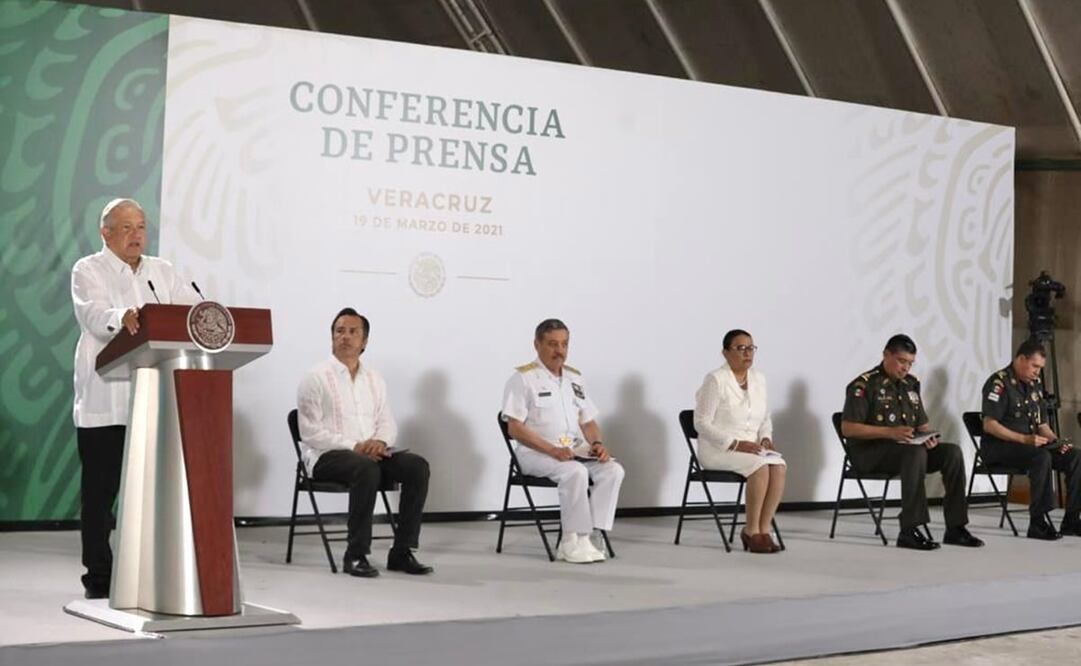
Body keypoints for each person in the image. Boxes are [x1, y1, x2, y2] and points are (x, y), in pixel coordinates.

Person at [71, 198, 198, 598]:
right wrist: (122, 316)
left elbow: (192, 311)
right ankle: (99, 575)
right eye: (126, 227)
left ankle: (150, 571)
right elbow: (93, 316)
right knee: (100, 495)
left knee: (153, 492)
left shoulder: (162, 271)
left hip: (155, 399)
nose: (136, 235)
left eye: (140, 226)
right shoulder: (88, 269)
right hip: (106, 400)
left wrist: (206, 317)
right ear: (105, 233)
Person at [296, 308, 433, 577]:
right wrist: (355, 446)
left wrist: (380, 441)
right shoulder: (315, 377)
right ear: (332, 337)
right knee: (365, 468)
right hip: (327, 455)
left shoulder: (374, 379)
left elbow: (386, 421)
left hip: (370, 453)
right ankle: (356, 554)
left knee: (417, 467)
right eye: (339, 331)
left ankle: (402, 551)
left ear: (364, 341)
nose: (345, 337)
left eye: (353, 332)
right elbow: (309, 431)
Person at [841, 334, 983, 550]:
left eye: (910, 363)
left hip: (906, 451)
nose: (905, 368)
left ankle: (956, 528)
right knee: (914, 453)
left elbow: (922, 425)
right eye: (901, 361)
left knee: (952, 452)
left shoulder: (910, 384)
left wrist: (929, 438)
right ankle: (909, 529)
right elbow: (848, 428)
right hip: (870, 454)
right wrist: (890, 433)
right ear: (886, 355)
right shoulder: (864, 385)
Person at [501, 318, 625, 564]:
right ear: (537, 345)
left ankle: (592, 535)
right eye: (552, 344)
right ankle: (570, 541)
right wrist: (552, 450)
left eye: (564, 344)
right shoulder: (523, 379)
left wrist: (597, 444)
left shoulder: (574, 378)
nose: (560, 350)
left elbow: (588, 422)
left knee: (613, 470)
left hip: (573, 451)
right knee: (575, 472)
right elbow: (515, 428)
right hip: (535, 453)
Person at [693, 329, 786, 553]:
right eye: (741, 348)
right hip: (719, 450)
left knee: (779, 466)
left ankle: (765, 530)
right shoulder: (716, 379)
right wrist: (734, 443)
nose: (747, 353)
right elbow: (701, 423)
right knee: (760, 467)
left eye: (751, 348)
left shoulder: (759, 379)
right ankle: (751, 531)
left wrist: (766, 437)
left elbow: (765, 417)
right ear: (725, 353)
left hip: (751, 449)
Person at [979, 339, 1081, 540]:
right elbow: (989, 425)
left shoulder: (1034, 386)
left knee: (1076, 456)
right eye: (1035, 366)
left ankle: (1071, 520)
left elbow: (1042, 425)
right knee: (1041, 457)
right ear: (1021, 359)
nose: (1037, 371)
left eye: (1040, 367)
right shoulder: (999, 383)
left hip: (1030, 445)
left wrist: (1057, 442)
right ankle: (1037, 522)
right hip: (1001, 447)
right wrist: (1024, 439)